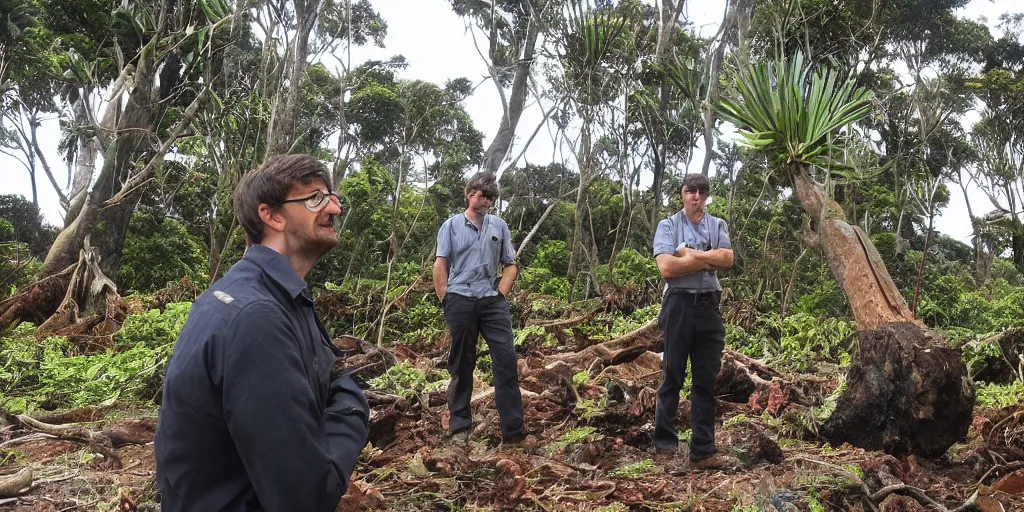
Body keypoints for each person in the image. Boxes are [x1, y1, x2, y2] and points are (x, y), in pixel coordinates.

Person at [155, 154, 370, 512]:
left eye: (332, 196)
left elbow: (326, 370)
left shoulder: (266, 295)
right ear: (271, 215)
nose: (334, 207)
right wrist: (353, 409)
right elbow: (307, 498)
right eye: (315, 198)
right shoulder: (257, 317)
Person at [651, 173, 738, 469]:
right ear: (682, 194)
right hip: (678, 305)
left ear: (706, 195)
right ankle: (664, 445)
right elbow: (667, 268)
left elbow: (728, 259)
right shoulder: (668, 225)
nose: (696, 196)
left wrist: (689, 254)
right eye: (691, 191)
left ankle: (703, 450)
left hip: (709, 307)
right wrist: (707, 259)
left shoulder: (718, 225)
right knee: (671, 374)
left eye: (701, 191)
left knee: (704, 380)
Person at [433, 172, 525, 446]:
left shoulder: (499, 226)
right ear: (470, 194)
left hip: (491, 302)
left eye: (491, 197)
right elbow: (441, 264)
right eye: (483, 195)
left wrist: (500, 294)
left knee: (506, 361)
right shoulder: (451, 226)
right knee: (462, 363)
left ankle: (513, 432)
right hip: (460, 299)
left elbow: (510, 264)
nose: (487, 201)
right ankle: (460, 427)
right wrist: (445, 298)